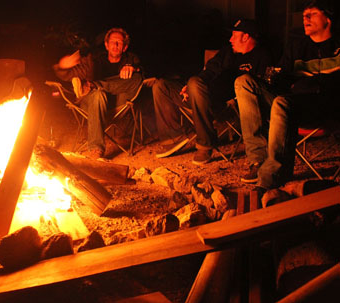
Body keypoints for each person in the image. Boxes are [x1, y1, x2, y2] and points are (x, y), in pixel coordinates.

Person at [235, 0, 340, 190]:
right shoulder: (296, 47)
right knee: (244, 82)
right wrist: (273, 78)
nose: (305, 18)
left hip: (327, 105)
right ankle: (258, 160)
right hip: (294, 103)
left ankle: (271, 178)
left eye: (313, 14)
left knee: (283, 102)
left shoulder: (338, 47)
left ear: (328, 19)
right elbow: (283, 77)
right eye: (304, 15)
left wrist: (311, 84)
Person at [152, 19, 273, 163]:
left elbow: (260, 88)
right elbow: (209, 70)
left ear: (246, 37)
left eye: (234, 35)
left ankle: (205, 145)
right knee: (161, 86)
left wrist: (195, 86)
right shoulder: (228, 51)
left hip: (227, 105)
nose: (230, 39)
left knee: (194, 84)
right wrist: (189, 87)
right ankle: (172, 139)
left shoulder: (262, 56)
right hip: (201, 96)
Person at [53, 27, 143, 159]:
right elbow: (66, 75)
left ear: (124, 47)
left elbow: (146, 74)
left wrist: (134, 68)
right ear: (106, 45)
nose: (115, 45)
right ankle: (96, 149)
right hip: (92, 105)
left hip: (118, 105)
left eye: (119, 42)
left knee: (137, 77)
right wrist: (62, 66)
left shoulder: (131, 59)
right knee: (98, 95)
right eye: (112, 42)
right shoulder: (94, 61)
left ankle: (95, 85)